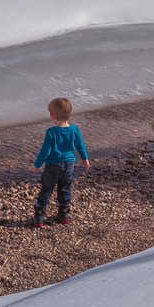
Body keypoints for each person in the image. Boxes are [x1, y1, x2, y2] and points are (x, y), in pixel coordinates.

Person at [31, 97, 90, 227]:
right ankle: (63, 215)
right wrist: (85, 158)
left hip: (53, 166)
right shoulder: (74, 130)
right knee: (65, 189)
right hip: (69, 166)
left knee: (47, 189)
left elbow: (45, 151)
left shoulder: (51, 132)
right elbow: (80, 145)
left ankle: (39, 216)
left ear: (52, 116)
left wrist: (36, 165)